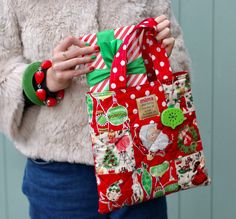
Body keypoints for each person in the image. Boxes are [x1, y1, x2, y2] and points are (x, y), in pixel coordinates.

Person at [0, 0, 191, 218]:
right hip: (61, 176)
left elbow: (177, 57)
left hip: (141, 159)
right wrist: (44, 80)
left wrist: (156, 59)